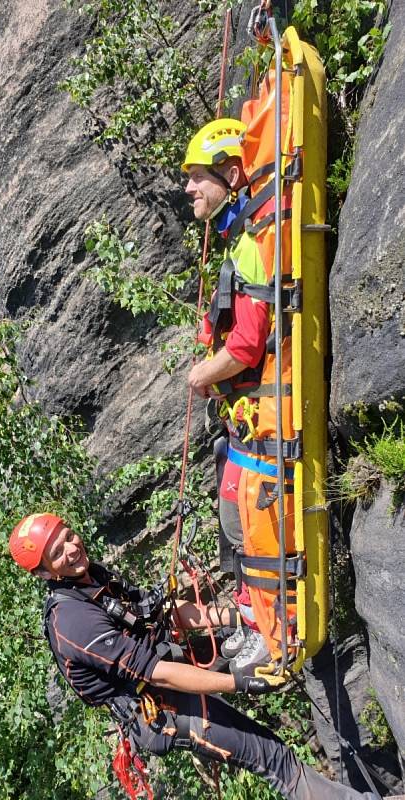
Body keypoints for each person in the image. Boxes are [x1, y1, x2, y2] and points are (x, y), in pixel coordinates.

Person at [8, 512, 378, 800]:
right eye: (57, 552)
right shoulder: (72, 621)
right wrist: (238, 683)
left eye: (68, 536)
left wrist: (242, 615)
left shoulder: (91, 576)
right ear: (44, 572)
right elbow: (154, 671)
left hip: (168, 680)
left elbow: (165, 612)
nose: (72, 548)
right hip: (159, 709)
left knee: (273, 752)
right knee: (275, 759)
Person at [182, 119, 270, 668]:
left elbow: (246, 344)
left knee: (249, 523)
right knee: (232, 518)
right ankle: (247, 614)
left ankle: (265, 624)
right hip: (243, 414)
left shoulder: (252, 247)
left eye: (197, 178)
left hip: (261, 410)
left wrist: (202, 375)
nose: (188, 188)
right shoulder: (237, 241)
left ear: (231, 174)